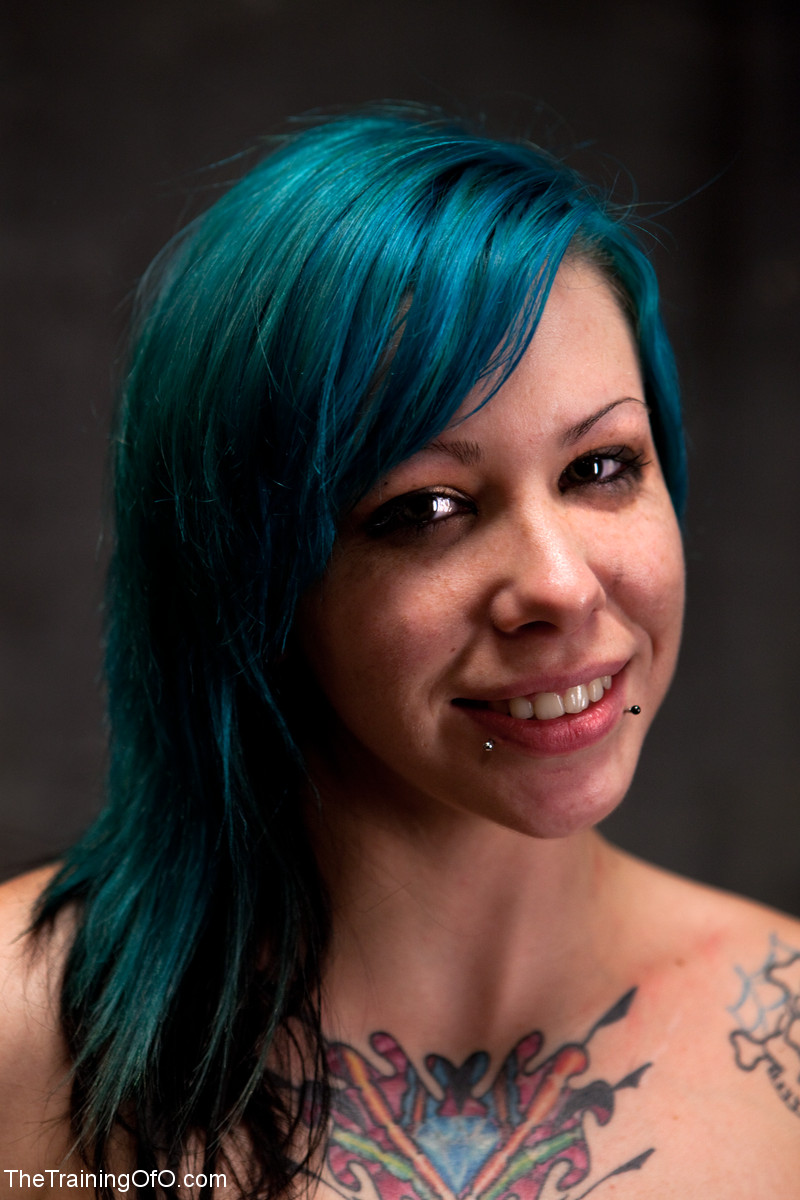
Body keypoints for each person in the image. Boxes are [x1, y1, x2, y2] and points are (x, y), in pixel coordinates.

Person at [1, 105, 798, 1199]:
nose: (561, 587)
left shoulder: (780, 1046)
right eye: (425, 508)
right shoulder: (22, 1038)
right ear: (256, 577)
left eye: (600, 468)